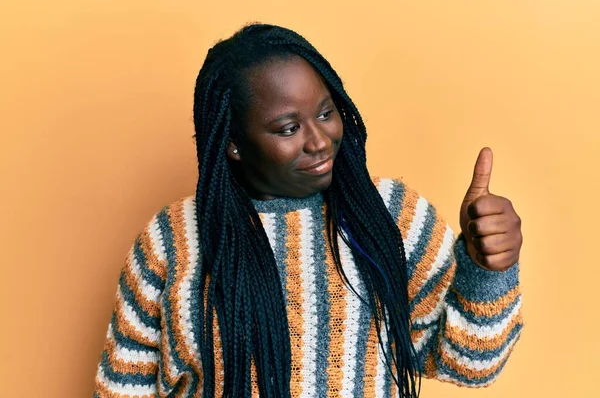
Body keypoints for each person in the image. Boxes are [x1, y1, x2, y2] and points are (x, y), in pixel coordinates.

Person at [93, 23, 523, 398]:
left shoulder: (391, 215)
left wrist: (486, 270)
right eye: (288, 128)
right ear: (233, 143)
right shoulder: (173, 240)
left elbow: (473, 365)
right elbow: (121, 388)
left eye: (325, 112)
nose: (318, 140)